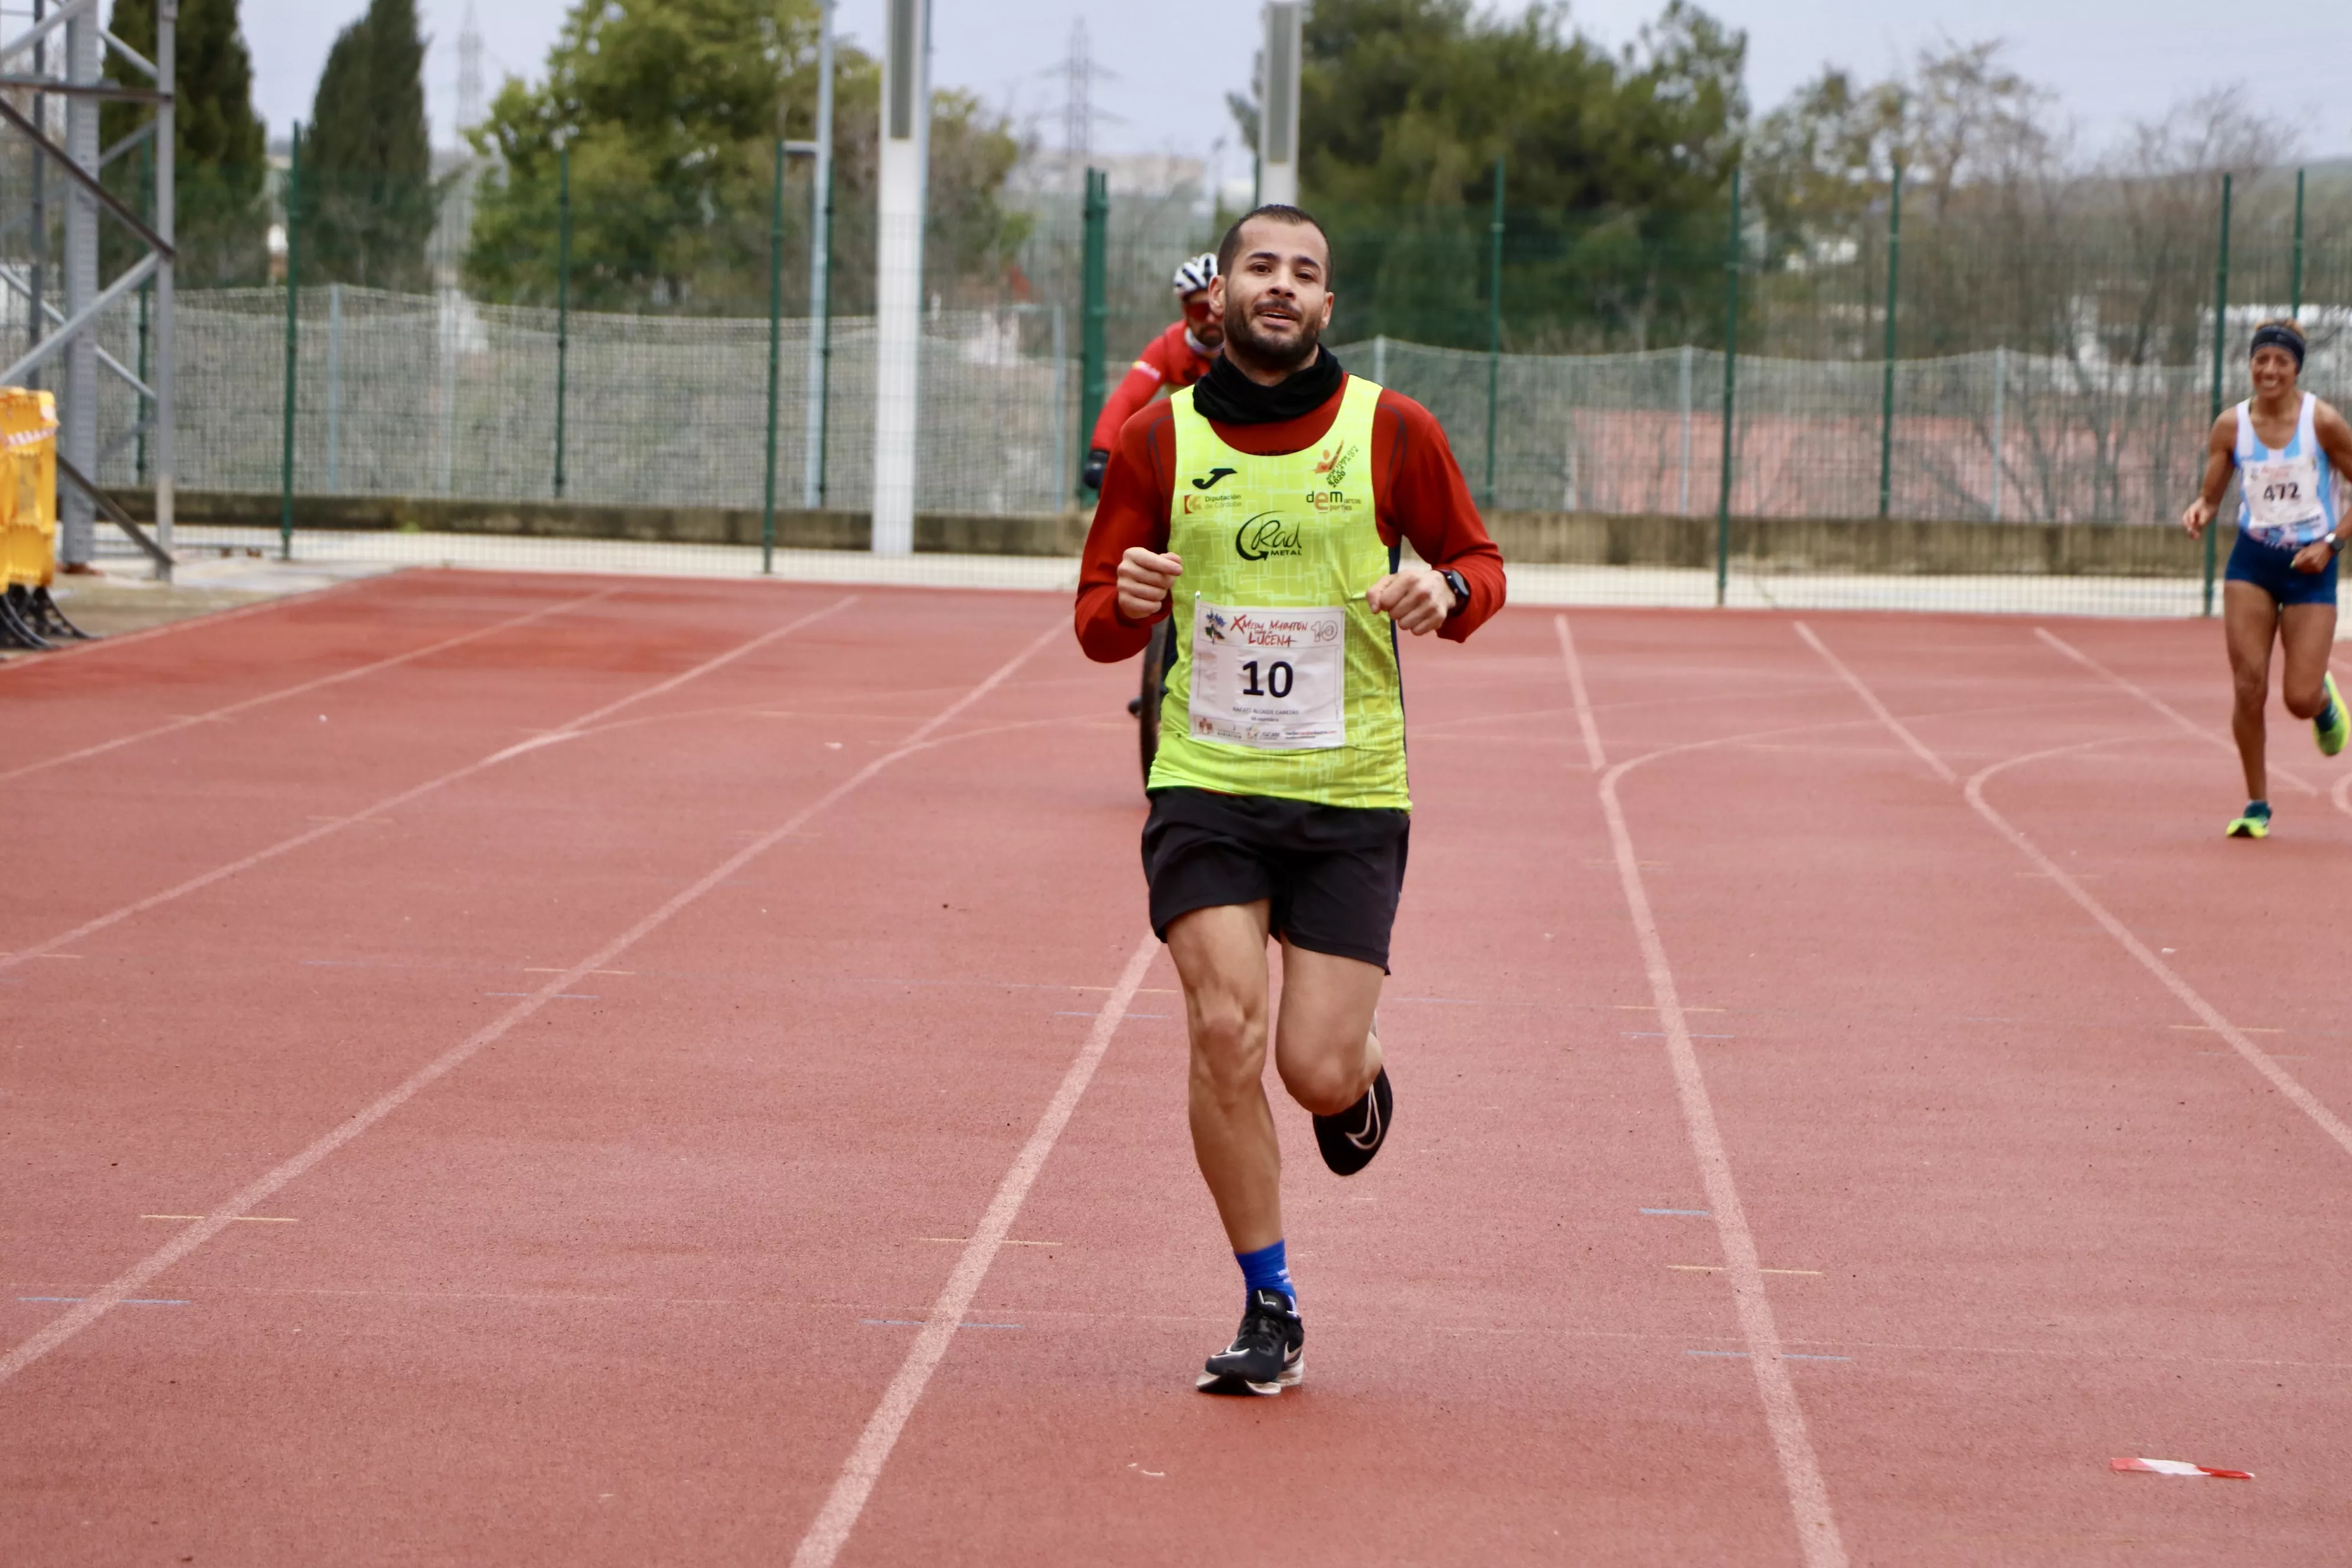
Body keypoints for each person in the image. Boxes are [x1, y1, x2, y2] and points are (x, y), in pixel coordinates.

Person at [1073, 204, 1505, 1394]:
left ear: (1327, 305)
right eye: (1261, 265)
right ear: (1218, 297)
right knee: (1224, 1029)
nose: (1282, 286)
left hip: (1349, 790)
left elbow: (1481, 563)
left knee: (1311, 1067)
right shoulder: (1161, 443)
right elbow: (1094, 621)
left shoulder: (1390, 429)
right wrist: (1134, 601)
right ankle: (1271, 1301)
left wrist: (1443, 596)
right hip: (1206, 781)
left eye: (1305, 273)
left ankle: (1355, 1071)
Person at [2183, 318, 2352, 838]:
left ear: (2297, 368)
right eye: (2261, 360)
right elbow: (2213, 490)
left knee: (2296, 698)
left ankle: (2322, 698)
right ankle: (2257, 803)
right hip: (2253, 563)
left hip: (2311, 568)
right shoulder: (2231, 426)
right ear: (2251, 365)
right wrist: (2202, 508)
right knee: (2248, 685)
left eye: (2281, 361)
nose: (2269, 370)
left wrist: (2331, 545)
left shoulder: (2321, 423)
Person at [1079, 254, 1224, 492]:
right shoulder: (1169, 347)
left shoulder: (1248, 345)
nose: (1210, 318)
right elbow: (1127, 398)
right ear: (1184, 310)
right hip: (1192, 460)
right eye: (1199, 310)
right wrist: (1100, 452)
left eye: (1217, 310)